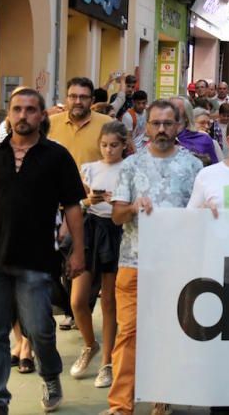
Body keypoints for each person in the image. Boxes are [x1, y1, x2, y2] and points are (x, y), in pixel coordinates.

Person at [106, 100, 202, 415]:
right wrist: (132, 208)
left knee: (168, 334)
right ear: (146, 127)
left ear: (179, 126)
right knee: (129, 334)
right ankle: (121, 405)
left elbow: (201, 217)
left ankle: (162, 396)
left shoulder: (193, 166)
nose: (161, 129)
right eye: (155, 123)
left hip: (177, 267)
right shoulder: (131, 166)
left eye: (167, 123)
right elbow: (116, 216)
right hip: (134, 263)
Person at [0, 87, 86, 413]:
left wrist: (78, 253)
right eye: (17, 109)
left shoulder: (57, 156)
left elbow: (73, 206)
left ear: (41, 115)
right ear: (8, 114)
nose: (23, 115)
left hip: (36, 260)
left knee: (40, 331)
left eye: (31, 109)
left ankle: (50, 375)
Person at [71, 122, 128, 389]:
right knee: (77, 300)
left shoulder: (129, 169)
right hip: (91, 229)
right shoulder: (90, 168)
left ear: (124, 145)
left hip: (116, 231)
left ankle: (106, 361)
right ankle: (90, 345)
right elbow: (77, 201)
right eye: (104, 145)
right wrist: (87, 201)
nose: (108, 150)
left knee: (109, 300)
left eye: (114, 145)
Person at [49, 76, 114, 168]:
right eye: (73, 96)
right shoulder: (51, 123)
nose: (78, 101)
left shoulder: (107, 124)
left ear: (92, 100)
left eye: (83, 97)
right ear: (66, 99)